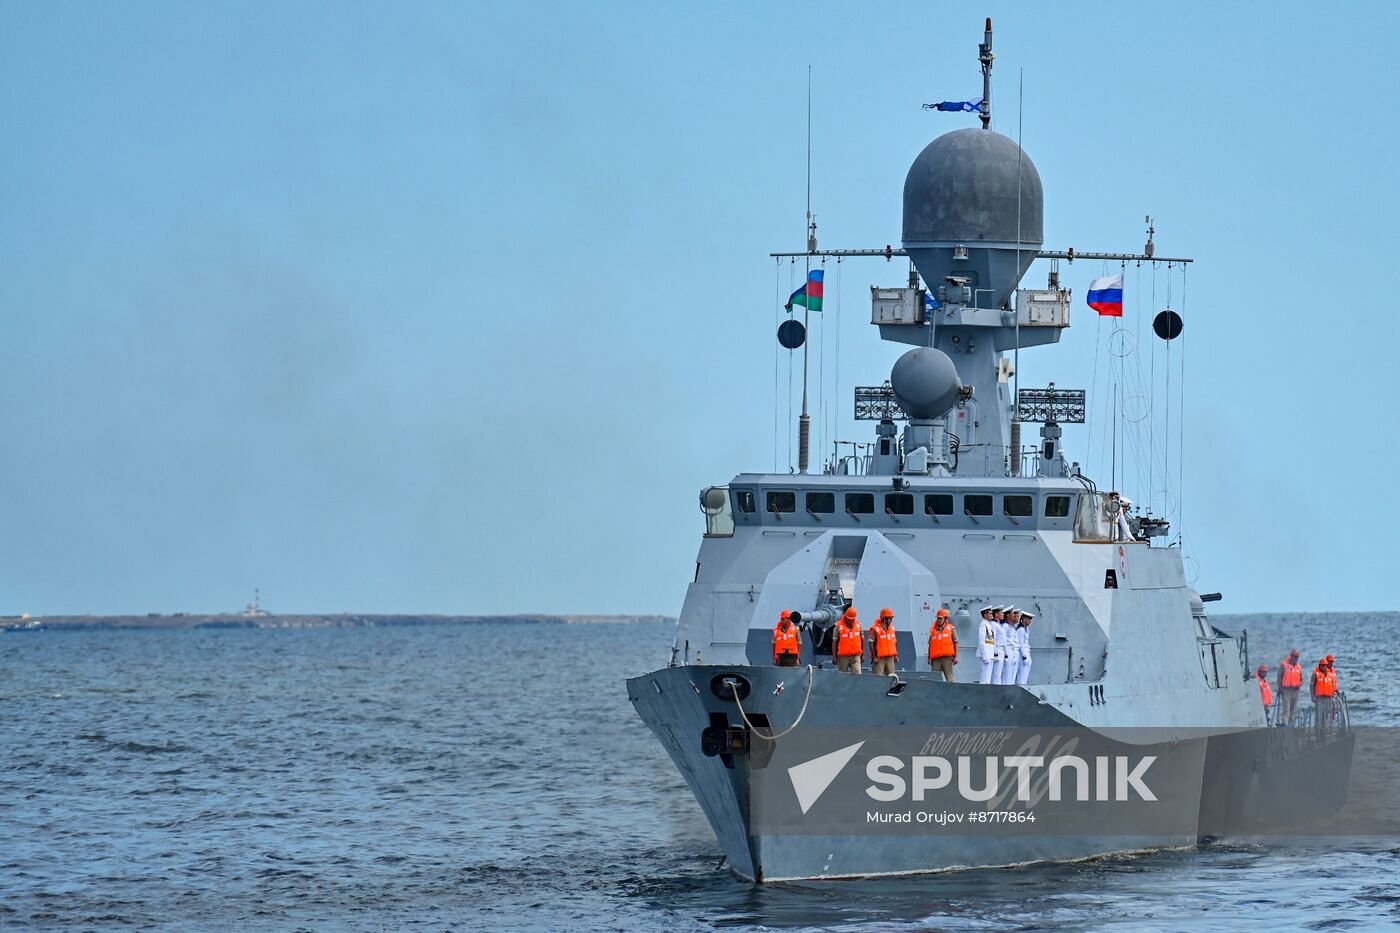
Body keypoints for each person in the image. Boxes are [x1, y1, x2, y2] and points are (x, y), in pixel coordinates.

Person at [927, 608, 958, 682]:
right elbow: (930, 644)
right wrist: (929, 657)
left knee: (950, 680)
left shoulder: (951, 629)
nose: (938, 620)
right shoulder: (932, 630)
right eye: (938, 618)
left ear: (945, 619)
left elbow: (956, 643)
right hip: (935, 660)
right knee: (934, 680)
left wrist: (956, 657)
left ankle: (951, 692)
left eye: (940, 618)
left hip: (947, 659)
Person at [1311, 654, 1338, 737]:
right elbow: (1312, 685)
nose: (1324, 667)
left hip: (1328, 698)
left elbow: (1332, 685)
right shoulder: (1315, 674)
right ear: (1319, 666)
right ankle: (1317, 733)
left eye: (1325, 666)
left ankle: (1324, 733)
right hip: (1319, 698)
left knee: (1326, 716)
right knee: (1318, 716)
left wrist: (1335, 692)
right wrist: (1312, 696)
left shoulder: (1330, 673)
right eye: (1322, 666)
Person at [869, 608, 898, 677]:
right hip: (879, 659)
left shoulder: (892, 629)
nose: (891, 620)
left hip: (890, 658)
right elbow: (871, 643)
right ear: (884, 619)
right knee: (878, 677)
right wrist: (874, 657)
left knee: (892, 676)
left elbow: (894, 643)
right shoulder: (875, 629)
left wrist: (896, 655)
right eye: (890, 618)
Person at [1276, 648, 1303, 725]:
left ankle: (1292, 726)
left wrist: (1299, 685)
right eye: (1294, 656)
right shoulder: (1283, 665)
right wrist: (1280, 688)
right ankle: (1285, 727)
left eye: (1297, 657)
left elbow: (1302, 679)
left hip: (1296, 691)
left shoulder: (1299, 667)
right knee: (1286, 710)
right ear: (1291, 656)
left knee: (1293, 710)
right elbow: (1279, 677)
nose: (1296, 658)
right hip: (1286, 690)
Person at [834, 607, 864, 674]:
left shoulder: (859, 625)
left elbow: (862, 640)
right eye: (849, 620)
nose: (851, 621)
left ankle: (856, 685)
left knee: (858, 674)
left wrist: (863, 654)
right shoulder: (838, 626)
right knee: (843, 676)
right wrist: (834, 656)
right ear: (846, 617)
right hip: (843, 656)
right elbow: (834, 642)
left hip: (856, 655)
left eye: (853, 619)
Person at [976, 605, 998, 684]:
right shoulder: (983, 626)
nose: (992, 614)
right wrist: (985, 657)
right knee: (984, 679)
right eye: (990, 613)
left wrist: (994, 655)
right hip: (985, 656)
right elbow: (981, 643)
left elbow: (992, 642)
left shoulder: (989, 625)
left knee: (988, 679)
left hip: (990, 655)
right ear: (985, 615)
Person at [999, 608, 1020, 685]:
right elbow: (1003, 641)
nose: (1015, 616)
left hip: (1013, 652)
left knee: (1012, 676)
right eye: (1013, 614)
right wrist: (1006, 654)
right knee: (1006, 676)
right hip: (1008, 651)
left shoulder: (1011, 627)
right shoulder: (1005, 626)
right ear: (1007, 615)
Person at [988, 606, 1009, 684]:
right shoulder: (993, 624)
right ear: (996, 614)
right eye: (1001, 612)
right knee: (995, 675)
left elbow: (1003, 640)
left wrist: (1005, 653)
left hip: (1002, 651)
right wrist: (995, 653)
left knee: (999, 674)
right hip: (998, 651)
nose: (1003, 614)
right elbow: (993, 640)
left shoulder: (999, 624)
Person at [1015, 611, 1035, 685]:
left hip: (1027, 653)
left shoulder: (1026, 630)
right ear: (1024, 619)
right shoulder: (1020, 630)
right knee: (1021, 677)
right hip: (1022, 656)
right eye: (1029, 619)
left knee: (1025, 677)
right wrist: (1024, 657)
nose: (1030, 621)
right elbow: (1020, 645)